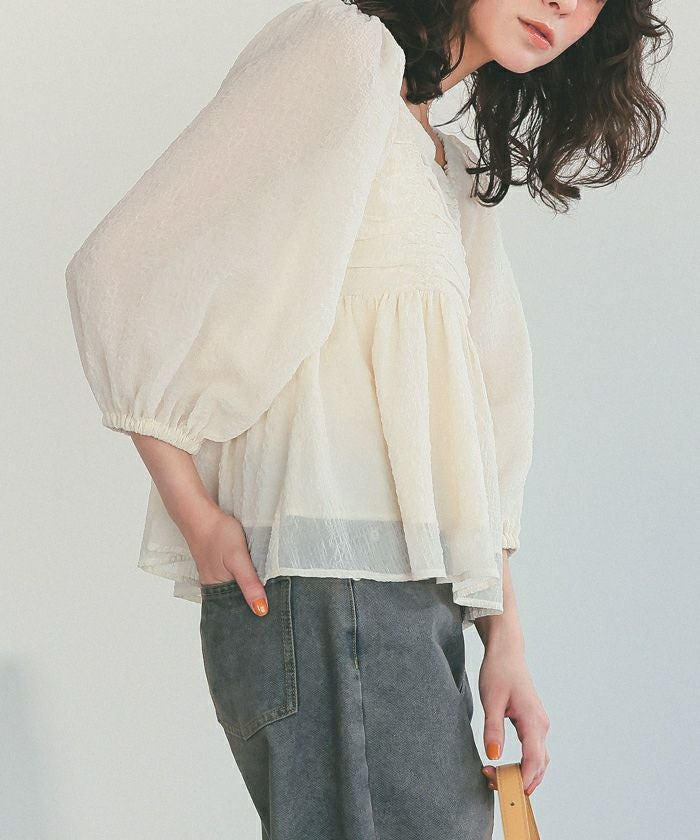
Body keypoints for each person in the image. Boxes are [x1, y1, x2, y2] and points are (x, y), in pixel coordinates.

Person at [64, 0, 671, 837]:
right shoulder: (345, 54)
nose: (565, 3)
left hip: (415, 601)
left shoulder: (448, 170)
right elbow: (121, 266)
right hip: (327, 590)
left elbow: (482, 427)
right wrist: (194, 514)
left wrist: (505, 639)